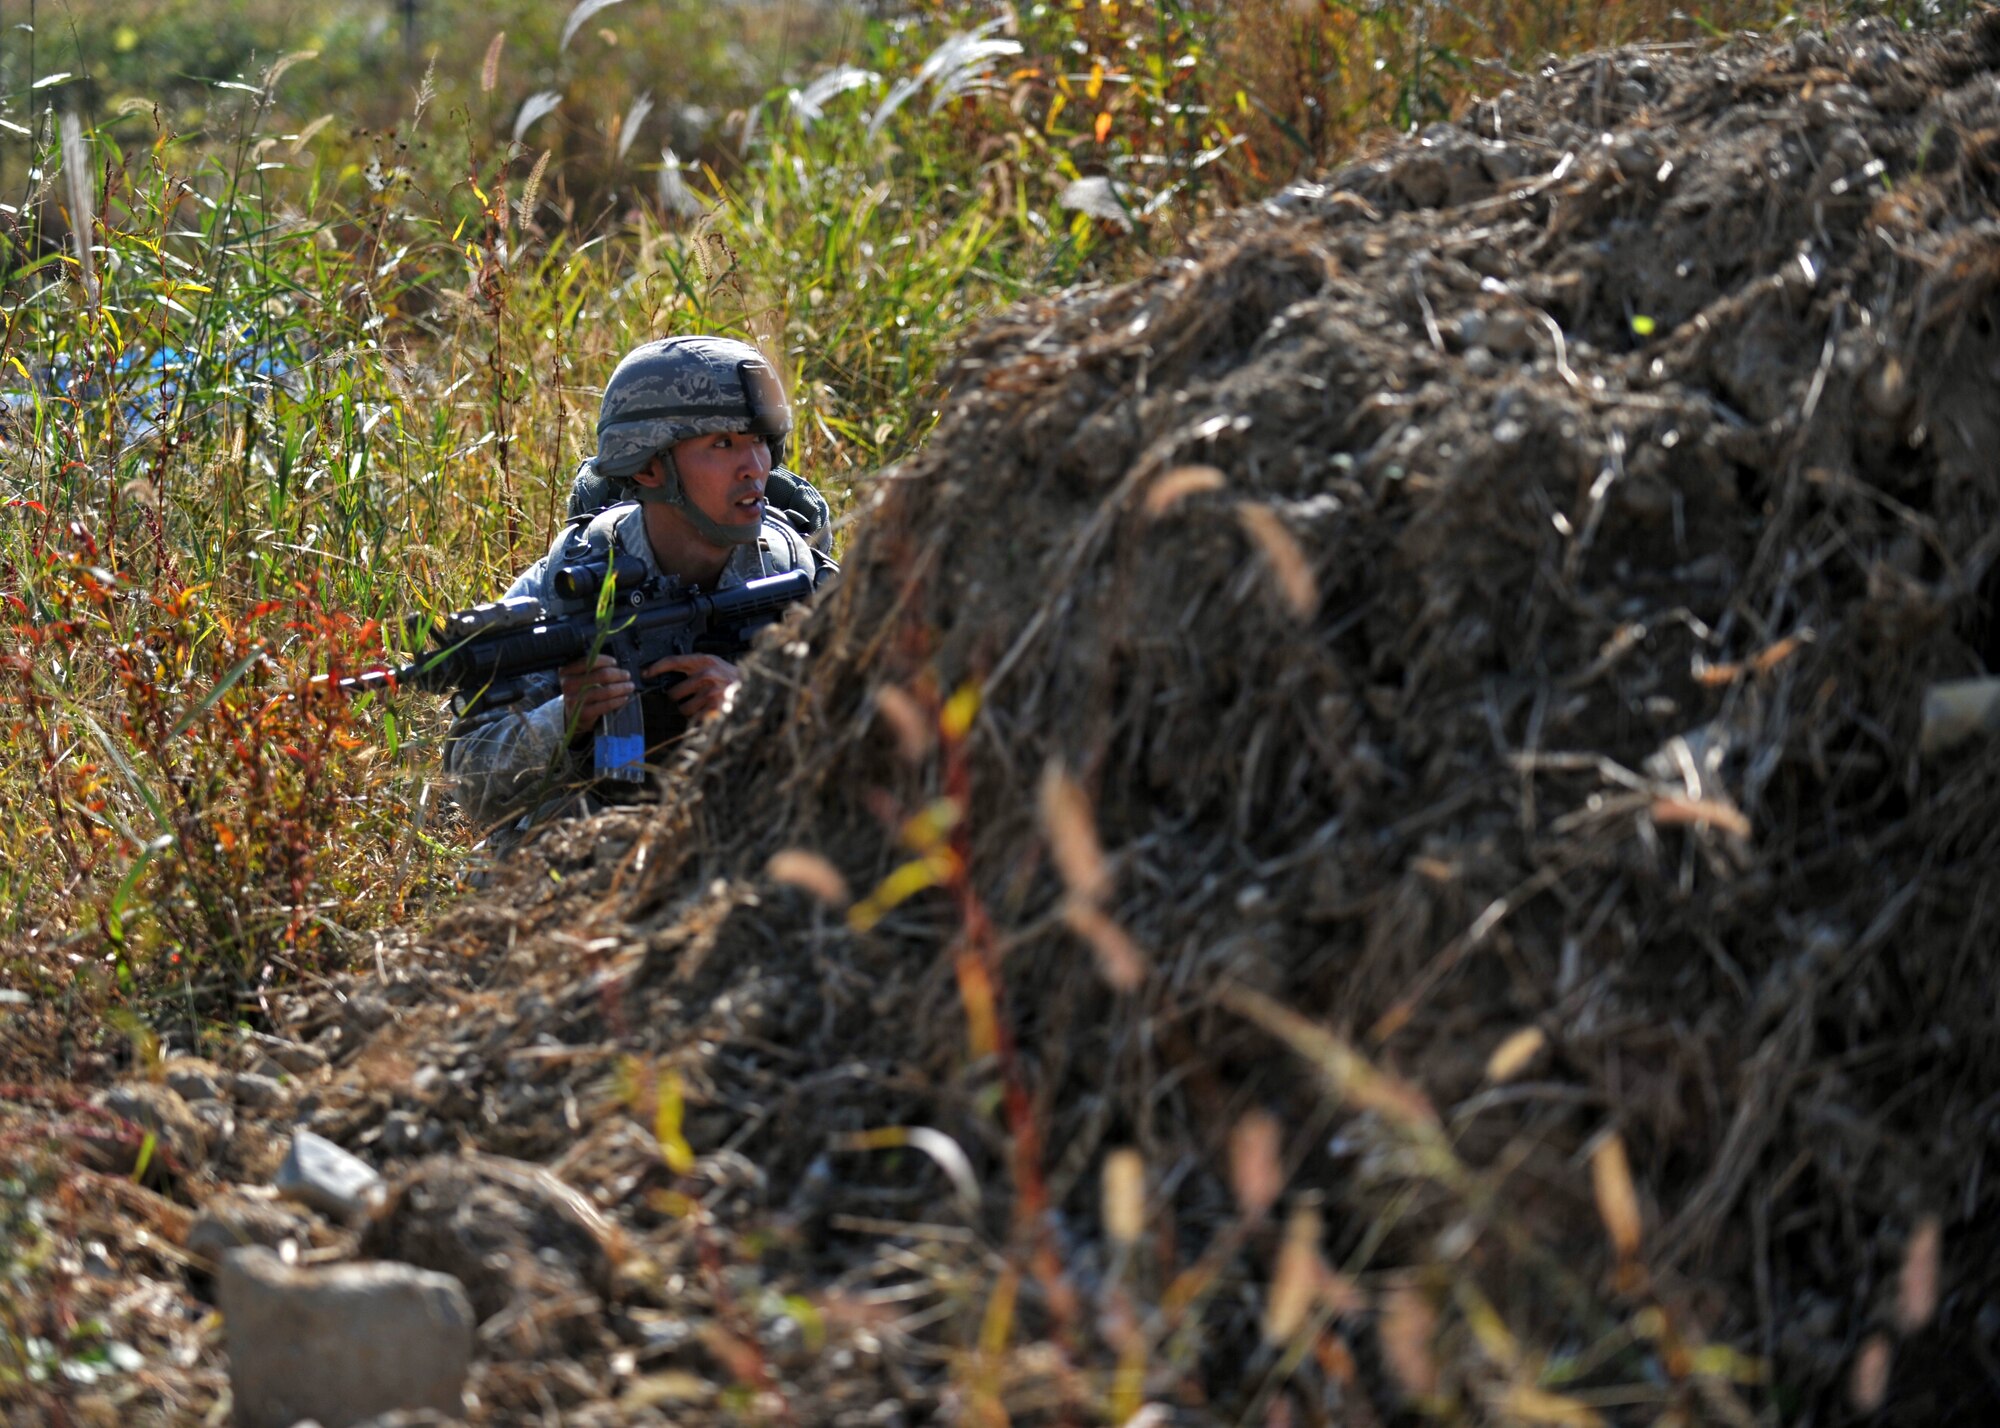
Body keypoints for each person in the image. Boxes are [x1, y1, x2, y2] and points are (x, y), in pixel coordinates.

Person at [444, 335, 836, 838]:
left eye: (758, 440)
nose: (754, 468)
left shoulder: (797, 577)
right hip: (598, 856)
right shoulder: (573, 585)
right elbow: (469, 781)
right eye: (722, 444)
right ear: (650, 467)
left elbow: (898, 745)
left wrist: (760, 710)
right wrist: (564, 720)